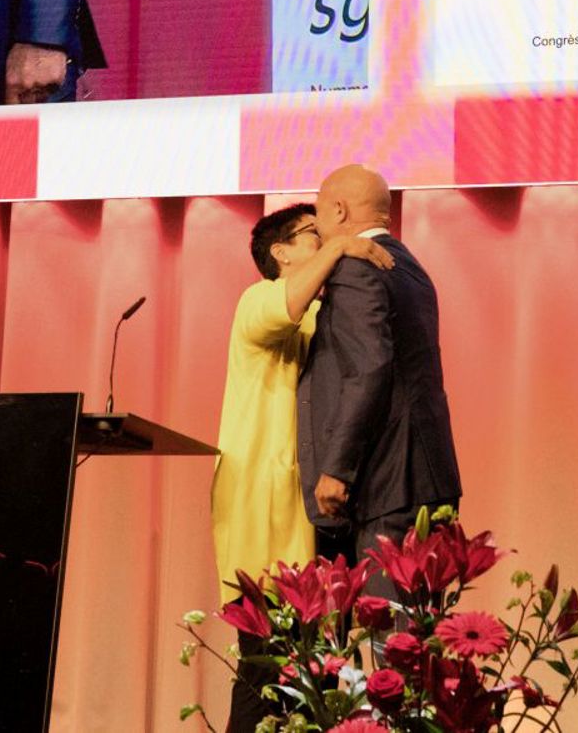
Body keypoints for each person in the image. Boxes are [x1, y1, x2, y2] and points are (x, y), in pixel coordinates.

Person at [213, 203, 393, 733]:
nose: (326, 239)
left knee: (318, 677)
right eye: (313, 233)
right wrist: (340, 245)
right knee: (266, 671)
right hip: (265, 514)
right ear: (281, 252)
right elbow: (289, 304)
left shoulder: (322, 313)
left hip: (317, 514)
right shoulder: (259, 299)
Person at [297, 163, 461, 573]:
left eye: (317, 214)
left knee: (387, 613)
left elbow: (368, 369)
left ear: (338, 210)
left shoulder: (355, 268)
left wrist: (337, 468)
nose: (318, 229)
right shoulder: (410, 266)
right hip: (425, 476)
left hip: (389, 483)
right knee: (416, 612)